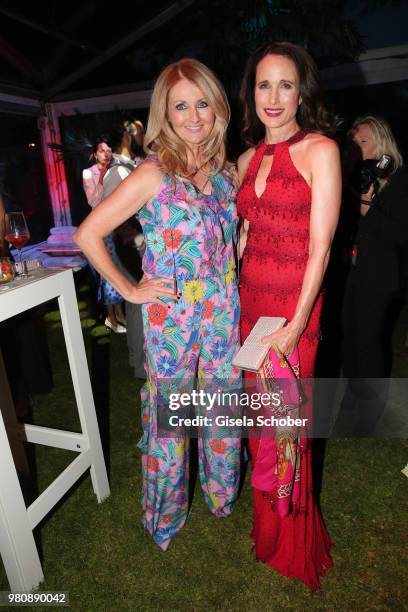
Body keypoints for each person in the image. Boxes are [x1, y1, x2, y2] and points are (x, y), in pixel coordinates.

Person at [74, 58, 241, 550]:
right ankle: (165, 518)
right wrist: (129, 290)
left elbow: (230, 241)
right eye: (181, 106)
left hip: (223, 310)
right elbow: (89, 234)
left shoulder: (226, 173)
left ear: (218, 108)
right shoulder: (153, 173)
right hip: (172, 316)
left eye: (203, 103)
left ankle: (220, 496)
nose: (194, 116)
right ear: (164, 114)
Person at [237, 41, 341, 590]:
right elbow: (245, 236)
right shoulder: (245, 159)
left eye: (284, 85)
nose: (273, 97)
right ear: (250, 92)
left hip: (291, 316)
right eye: (263, 85)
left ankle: (292, 539)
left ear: (302, 91)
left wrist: (297, 324)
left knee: (288, 432)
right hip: (249, 313)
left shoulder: (320, 150)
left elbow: (321, 248)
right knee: (261, 430)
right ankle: (267, 530)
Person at [340, 115, 408, 435]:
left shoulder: (398, 177)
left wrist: (369, 206)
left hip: (380, 275)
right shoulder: (358, 175)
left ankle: (371, 409)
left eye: (363, 141)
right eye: (354, 143)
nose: (358, 148)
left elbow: (400, 233)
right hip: (352, 269)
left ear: (380, 142)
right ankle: (354, 395)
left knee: (368, 341)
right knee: (349, 334)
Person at [82, 138, 127, 333]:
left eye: (109, 150)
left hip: (117, 224)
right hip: (101, 227)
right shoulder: (88, 173)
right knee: (108, 272)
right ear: (94, 154)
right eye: (102, 150)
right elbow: (93, 201)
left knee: (118, 268)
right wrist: (101, 179)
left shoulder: (114, 169)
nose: (106, 153)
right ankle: (111, 317)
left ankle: (119, 314)